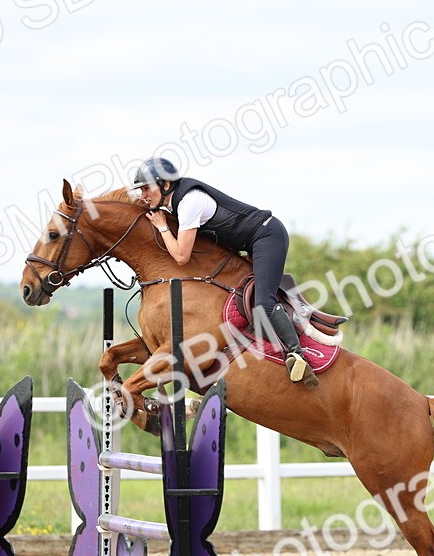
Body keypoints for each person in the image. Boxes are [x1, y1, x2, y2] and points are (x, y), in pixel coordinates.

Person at [130, 157, 317, 388]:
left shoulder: (189, 202)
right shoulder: (174, 202)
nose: (143, 195)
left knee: (263, 303)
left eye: (146, 188)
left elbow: (181, 256)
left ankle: (297, 355)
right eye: (141, 190)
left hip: (267, 236)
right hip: (252, 243)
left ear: (166, 185)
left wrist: (162, 227)